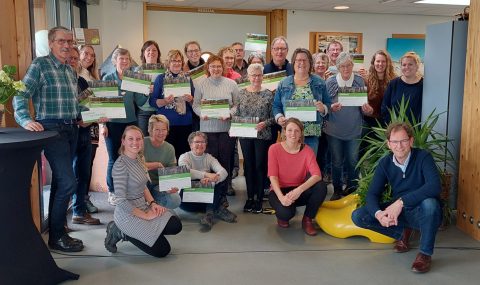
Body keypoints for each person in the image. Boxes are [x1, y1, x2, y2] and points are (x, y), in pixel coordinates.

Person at [13, 26, 84, 252]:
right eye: (62, 41)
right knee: (68, 182)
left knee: (61, 183)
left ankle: (58, 232)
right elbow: (21, 95)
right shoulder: (40, 65)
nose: (67, 46)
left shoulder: (69, 69)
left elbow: (76, 103)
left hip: (72, 128)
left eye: (70, 42)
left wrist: (93, 112)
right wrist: (25, 120)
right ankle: (56, 237)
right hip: (51, 129)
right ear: (52, 43)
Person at [352, 122, 442, 273]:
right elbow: (372, 194)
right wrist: (379, 214)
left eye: (403, 141)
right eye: (395, 141)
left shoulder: (423, 157)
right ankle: (403, 233)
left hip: (423, 212)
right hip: (401, 213)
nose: (399, 146)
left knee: (430, 204)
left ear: (411, 141)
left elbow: (434, 186)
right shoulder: (385, 163)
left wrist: (401, 202)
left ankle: (425, 254)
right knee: (359, 216)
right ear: (388, 144)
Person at [104, 126, 182, 257]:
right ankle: (120, 231)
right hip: (127, 215)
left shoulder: (139, 159)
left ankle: (147, 232)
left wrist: (152, 204)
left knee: (176, 225)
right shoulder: (120, 166)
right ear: (123, 141)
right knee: (163, 251)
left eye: (138, 139)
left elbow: (143, 186)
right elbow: (121, 201)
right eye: (130, 139)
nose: (135, 142)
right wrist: (146, 216)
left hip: (143, 206)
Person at [192, 55, 239, 222]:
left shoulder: (231, 84)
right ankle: (211, 200)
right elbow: (195, 105)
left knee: (225, 163)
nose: (216, 69)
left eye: (219, 66)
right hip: (208, 131)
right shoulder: (201, 84)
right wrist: (202, 113)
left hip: (226, 130)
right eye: (213, 66)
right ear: (208, 68)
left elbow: (236, 104)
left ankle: (222, 197)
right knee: (210, 166)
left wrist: (230, 113)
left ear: (223, 67)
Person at [324, 51, 373, 201]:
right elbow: (325, 105)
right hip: (334, 130)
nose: (346, 69)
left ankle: (352, 189)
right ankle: (337, 190)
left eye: (349, 65)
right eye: (342, 66)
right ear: (337, 67)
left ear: (353, 66)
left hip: (354, 130)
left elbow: (365, 106)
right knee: (337, 161)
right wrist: (331, 107)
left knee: (353, 161)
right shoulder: (330, 82)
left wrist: (368, 110)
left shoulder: (359, 81)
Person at [102, 48, 148, 206]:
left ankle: (130, 190)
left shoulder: (133, 79)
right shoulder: (107, 78)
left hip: (131, 123)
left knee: (132, 158)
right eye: (121, 59)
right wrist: (103, 125)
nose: (124, 62)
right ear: (114, 61)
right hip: (113, 124)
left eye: (127, 59)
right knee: (114, 159)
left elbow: (140, 102)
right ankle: (112, 191)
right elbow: (100, 105)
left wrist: (147, 92)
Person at [268, 118, 327, 236]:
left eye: (296, 131)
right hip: (279, 190)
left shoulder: (307, 150)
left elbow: (317, 175)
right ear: (284, 132)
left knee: (321, 187)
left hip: (298, 190)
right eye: (289, 130)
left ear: (301, 134)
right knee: (286, 214)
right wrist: (282, 198)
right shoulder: (274, 149)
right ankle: (284, 214)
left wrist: (299, 190)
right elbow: (273, 176)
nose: (293, 134)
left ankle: (307, 219)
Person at [272, 48, 331, 155]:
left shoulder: (320, 82)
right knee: (291, 167)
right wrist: (279, 117)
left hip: (311, 134)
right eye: (298, 60)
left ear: (310, 63)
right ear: (293, 63)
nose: (301, 63)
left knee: (309, 168)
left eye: (305, 60)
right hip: (289, 134)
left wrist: (323, 109)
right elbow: (276, 106)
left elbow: (328, 104)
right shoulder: (283, 83)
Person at [233, 63, 275, 213]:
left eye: (259, 75)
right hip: (245, 135)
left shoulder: (269, 94)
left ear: (263, 77)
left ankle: (258, 199)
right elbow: (236, 114)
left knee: (259, 166)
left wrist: (265, 123)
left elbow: (273, 117)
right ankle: (250, 197)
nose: (256, 78)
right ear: (248, 77)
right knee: (249, 166)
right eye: (253, 75)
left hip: (262, 136)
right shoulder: (241, 93)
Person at [67, 47, 100, 225]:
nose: (72, 61)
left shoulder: (82, 81)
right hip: (69, 133)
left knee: (83, 173)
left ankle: (79, 211)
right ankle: (63, 218)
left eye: (74, 59)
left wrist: (90, 118)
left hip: (85, 133)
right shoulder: (61, 82)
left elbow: (90, 106)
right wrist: (81, 119)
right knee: (67, 175)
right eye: (70, 58)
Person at [178, 131, 230, 231]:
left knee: (217, 181)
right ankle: (217, 208)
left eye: (203, 142)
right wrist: (205, 174)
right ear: (190, 144)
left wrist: (213, 179)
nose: (200, 144)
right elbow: (186, 172)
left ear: (206, 144)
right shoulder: (184, 157)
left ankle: (209, 215)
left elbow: (224, 172)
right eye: (196, 142)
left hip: (205, 199)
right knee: (196, 178)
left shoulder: (209, 158)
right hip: (187, 202)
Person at [150, 49, 195, 159]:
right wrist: (165, 101)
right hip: (166, 125)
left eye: (179, 61)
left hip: (185, 123)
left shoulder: (187, 79)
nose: (177, 63)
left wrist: (190, 99)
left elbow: (195, 102)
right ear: (168, 62)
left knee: (183, 156)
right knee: (167, 156)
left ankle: (183, 176)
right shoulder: (161, 79)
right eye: (173, 60)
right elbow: (152, 102)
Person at [78, 44, 100, 213]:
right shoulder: (73, 75)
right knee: (77, 165)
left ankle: (84, 199)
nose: (89, 57)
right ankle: (78, 201)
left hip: (93, 123)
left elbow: (98, 102)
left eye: (92, 55)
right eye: (86, 53)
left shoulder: (94, 76)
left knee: (88, 163)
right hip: (78, 123)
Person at [143, 114, 181, 209]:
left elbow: (171, 173)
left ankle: (153, 206)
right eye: (157, 129)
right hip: (141, 184)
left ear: (167, 131)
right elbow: (133, 165)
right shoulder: (141, 143)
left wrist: (169, 187)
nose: (161, 133)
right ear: (150, 130)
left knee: (175, 199)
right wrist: (156, 165)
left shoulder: (170, 148)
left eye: (164, 129)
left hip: (158, 185)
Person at [381, 51, 423, 124]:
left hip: (416, 131)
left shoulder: (423, 85)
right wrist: (391, 126)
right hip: (395, 129)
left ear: (417, 66)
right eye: (404, 65)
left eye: (410, 64)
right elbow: (385, 107)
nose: (407, 67)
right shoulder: (393, 84)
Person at [135, 40, 162, 136]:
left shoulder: (164, 70)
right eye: (148, 50)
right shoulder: (138, 71)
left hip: (160, 111)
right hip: (144, 112)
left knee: (159, 140)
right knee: (144, 141)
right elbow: (135, 93)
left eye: (154, 50)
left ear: (158, 53)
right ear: (143, 53)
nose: (151, 52)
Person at [364, 50, 396, 127]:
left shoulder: (395, 81)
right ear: (373, 63)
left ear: (387, 63)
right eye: (378, 61)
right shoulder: (366, 80)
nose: (380, 64)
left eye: (383, 61)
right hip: (369, 122)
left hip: (389, 122)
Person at [313, 52, 332, 183]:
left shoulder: (331, 81)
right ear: (313, 65)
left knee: (326, 151)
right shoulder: (310, 81)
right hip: (313, 124)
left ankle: (324, 175)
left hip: (330, 123)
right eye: (318, 62)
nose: (320, 65)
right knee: (316, 152)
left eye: (323, 63)